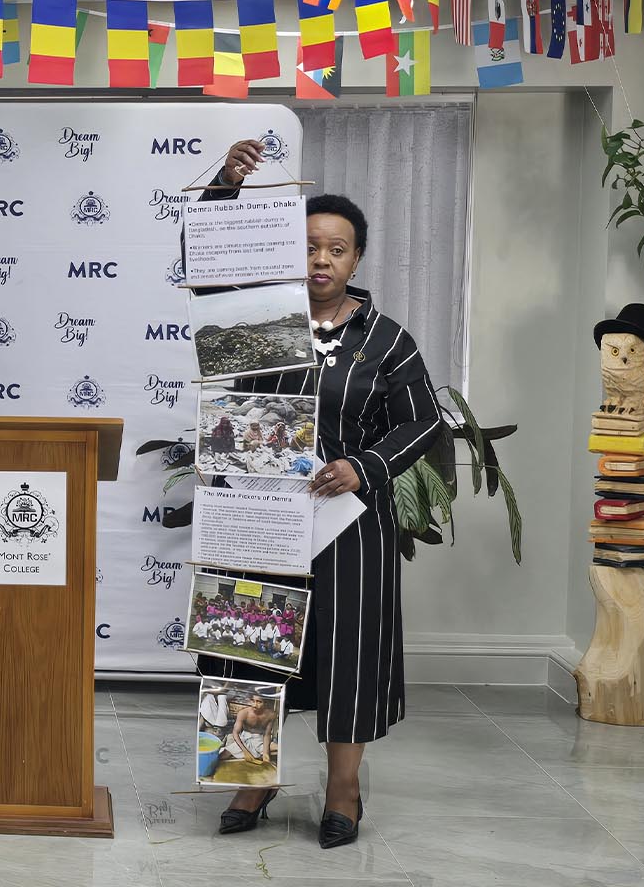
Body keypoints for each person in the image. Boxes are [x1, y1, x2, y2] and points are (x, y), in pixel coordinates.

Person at [200, 140, 444, 848]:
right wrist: (227, 185)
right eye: (308, 247)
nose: (320, 260)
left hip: (349, 523)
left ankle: (343, 790)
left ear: (356, 260)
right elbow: (209, 274)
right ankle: (250, 778)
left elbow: (423, 420)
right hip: (259, 514)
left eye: (336, 249)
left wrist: (365, 464)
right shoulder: (259, 323)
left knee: (347, 653)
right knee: (248, 642)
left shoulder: (387, 341)